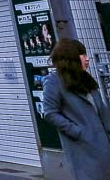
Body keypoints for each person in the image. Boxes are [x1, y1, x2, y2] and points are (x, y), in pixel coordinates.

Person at [42, 38, 110, 178]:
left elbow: (100, 109)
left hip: (103, 141)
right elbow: (50, 113)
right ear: (72, 57)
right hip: (83, 147)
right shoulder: (54, 82)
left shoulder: (85, 78)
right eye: (83, 55)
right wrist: (76, 131)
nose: (87, 58)